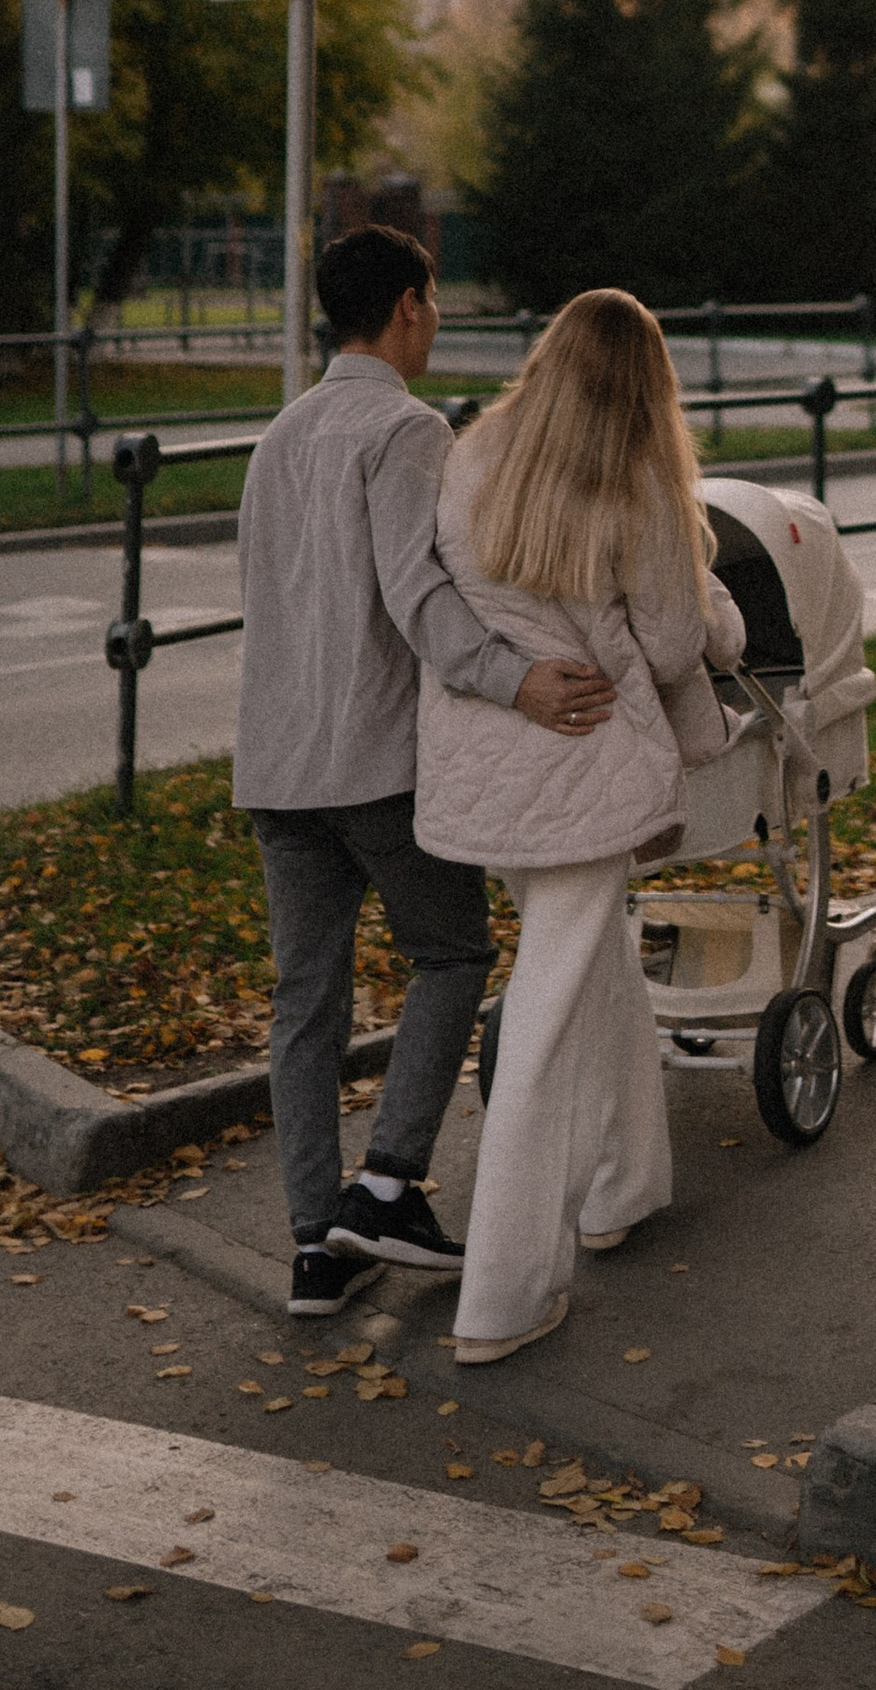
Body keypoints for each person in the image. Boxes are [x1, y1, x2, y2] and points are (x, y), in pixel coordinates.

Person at [234, 223, 621, 1321]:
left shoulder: (280, 434)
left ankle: (316, 1248)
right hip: (372, 760)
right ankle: (390, 1184)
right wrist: (516, 679)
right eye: (435, 301)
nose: (438, 319)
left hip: (275, 766)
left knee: (305, 1003)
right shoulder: (405, 429)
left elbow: (266, 596)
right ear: (407, 305)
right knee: (452, 952)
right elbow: (419, 595)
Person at [415, 286, 745, 1365]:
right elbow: (672, 641)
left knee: (594, 967)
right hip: (584, 762)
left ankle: (623, 1183)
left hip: (486, 764)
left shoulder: (473, 456)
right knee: (549, 1019)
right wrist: (721, 612)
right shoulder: (634, 483)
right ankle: (505, 1294)